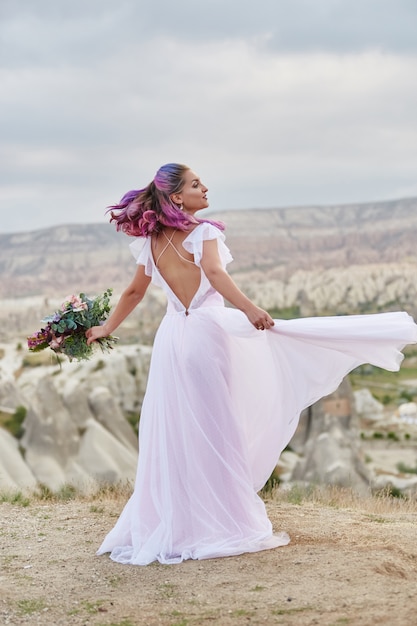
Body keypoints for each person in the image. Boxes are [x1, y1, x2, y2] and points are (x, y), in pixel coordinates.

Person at [86, 163, 417, 566]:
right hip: (207, 334)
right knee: (218, 425)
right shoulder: (204, 233)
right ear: (176, 197)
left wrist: (106, 327)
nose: (204, 188)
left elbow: (134, 291)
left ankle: (178, 520)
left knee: (179, 430)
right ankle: (221, 521)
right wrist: (248, 308)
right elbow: (212, 272)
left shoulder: (152, 241)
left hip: (172, 339)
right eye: (195, 184)